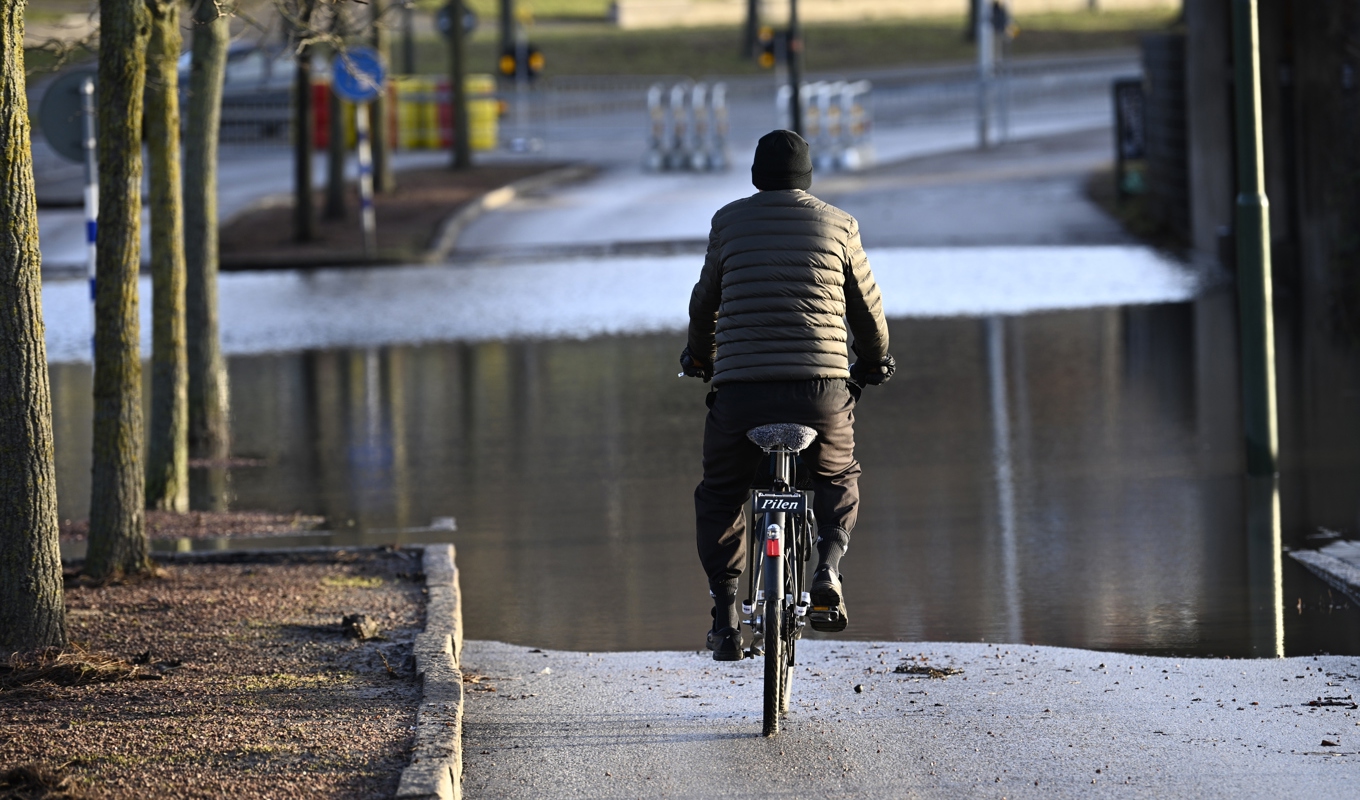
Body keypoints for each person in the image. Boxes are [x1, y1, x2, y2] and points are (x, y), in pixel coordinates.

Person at [680, 129, 895, 662]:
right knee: (836, 476)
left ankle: (726, 616)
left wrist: (699, 356)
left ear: (756, 175)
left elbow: (705, 301)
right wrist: (874, 361)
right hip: (820, 392)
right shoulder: (839, 224)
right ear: (808, 177)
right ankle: (827, 567)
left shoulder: (728, 222)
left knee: (722, 492)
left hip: (739, 392)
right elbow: (866, 309)